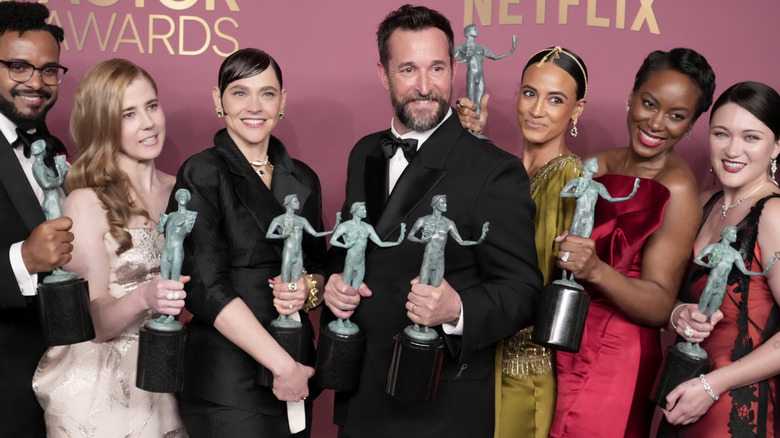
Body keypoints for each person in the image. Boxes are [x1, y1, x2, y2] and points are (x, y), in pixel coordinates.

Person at [323, 5, 542, 437]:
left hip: (442, 407)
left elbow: (523, 291)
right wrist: (333, 281)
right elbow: (351, 250)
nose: (425, 87)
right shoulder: (364, 152)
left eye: (437, 68)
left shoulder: (493, 170)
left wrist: (457, 308)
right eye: (408, 69)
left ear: (453, 68)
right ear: (384, 74)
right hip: (363, 395)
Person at [551, 48, 716, 437]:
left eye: (676, 116)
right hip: (563, 335)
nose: (656, 123)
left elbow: (661, 303)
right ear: (632, 95)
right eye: (649, 103)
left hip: (616, 355)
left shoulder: (675, 188)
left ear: (691, 123)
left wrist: (595, 270)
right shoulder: (597, 163)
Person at [171, 48, 325, 438]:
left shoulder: (304, 178)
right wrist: (282, 366)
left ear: (283, 101)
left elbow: (320, 266)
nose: (254, 106)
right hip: (228, 380)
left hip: (295, 371)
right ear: (218, 100)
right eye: (240, 92)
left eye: (267, 93)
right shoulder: (203, 170)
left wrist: (309, 289)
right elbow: (204, 286)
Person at [30, 59, 187, 436]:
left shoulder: (184, 191)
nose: (148, 123)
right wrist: (145, 296)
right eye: (128, 114)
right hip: (99, 394)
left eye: (151, 106)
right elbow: (93, 325)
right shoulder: (86, 202)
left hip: (168, 378)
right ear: (103, 125)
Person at [457, 45, 588, 438]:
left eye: (555, 99)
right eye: (530, 93)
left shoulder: (571, 179)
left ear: (576, 111)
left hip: (524, 365)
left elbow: (542, 277)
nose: (536, 109)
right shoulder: (509, 169)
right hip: (483, 352)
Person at [661, 81, 780, 437]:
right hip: (682, 394)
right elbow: (665, 292)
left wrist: (712, 386)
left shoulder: (773, 215)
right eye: (721, 133)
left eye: (751, 137)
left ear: (777, 147)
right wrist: (676, 313)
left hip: (734, 409)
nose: (732, 149)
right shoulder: (703, 203)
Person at [0, 3, 71, 436]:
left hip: (57, 387)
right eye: (19, 67)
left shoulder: (53, 146)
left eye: (49, 71)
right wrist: (22, 259)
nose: (36, 83)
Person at [453, 24, 515, 115]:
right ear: (468, 32)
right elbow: (452, 61)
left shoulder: (481, 48)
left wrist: (511, 51)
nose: (477, 30)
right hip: (471, 75)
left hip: (480, 76)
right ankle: (469, 127)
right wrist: (465, 59)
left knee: (479, 102)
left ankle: (477, 127)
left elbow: (495, 57)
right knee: (470, 103)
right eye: (474, 29)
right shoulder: (461, 47)